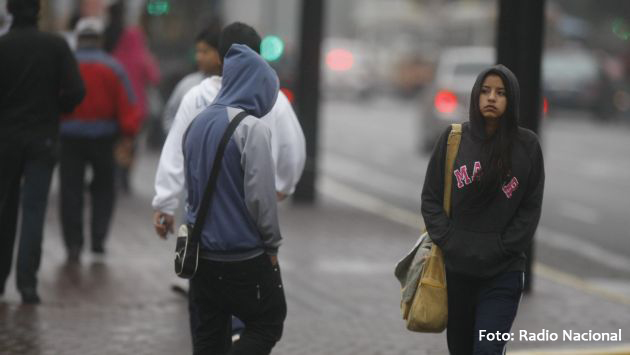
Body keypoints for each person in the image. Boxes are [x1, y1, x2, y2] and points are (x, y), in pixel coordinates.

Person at [152, 21, 305, 344]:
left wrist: (165, 202)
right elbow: (265, 191)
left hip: (201, 244)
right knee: (266, 320)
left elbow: (174, 152)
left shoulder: (198, 110)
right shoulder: (255, 124)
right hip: (242, 248)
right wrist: (273, 237)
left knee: (207, 332)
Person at [421, 64, 545, 354]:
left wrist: (503, 247)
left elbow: (530, 206)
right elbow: (430, 198)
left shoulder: (527, 146)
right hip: (457, 273)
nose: (492, 98)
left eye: (501, 93)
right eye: (486, 91)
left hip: (503, 274)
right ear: (476, 96)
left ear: (511, 100)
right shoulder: (454, 139)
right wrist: (451, 241)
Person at [183, 43, 286, 354]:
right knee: (268, 321)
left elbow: (192, 191)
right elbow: (261, 199)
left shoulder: (196, 124)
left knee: (208, 338)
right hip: (243, 255)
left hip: (202, 256)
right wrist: (272, 244)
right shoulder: (251, 129)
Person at [0, 0, 85, 304]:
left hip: (4, 139)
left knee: (4, 209)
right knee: (34, 210)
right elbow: (77, 90)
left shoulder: (3, 46)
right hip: (43, 138)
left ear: (9, 10)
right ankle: (28, 285)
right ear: (38, 11)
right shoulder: (56, 46)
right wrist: (56, 109)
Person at [59, 17, 141, 263]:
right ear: (100, 40)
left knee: (70, 191)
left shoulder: (66, 66)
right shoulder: (113, 68)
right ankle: (97, 240)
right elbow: (128, 105)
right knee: (104, 189)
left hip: (69, 139)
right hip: (104, 139)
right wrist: (128, 134)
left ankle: (73, 244)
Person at [162, 22, 222, 132]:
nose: (198, 57)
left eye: (205, 52)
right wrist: (177, 139)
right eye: (197, 51)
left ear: (219, 53)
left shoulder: (227, 85)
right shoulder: (187, 84)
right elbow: (169, 114)